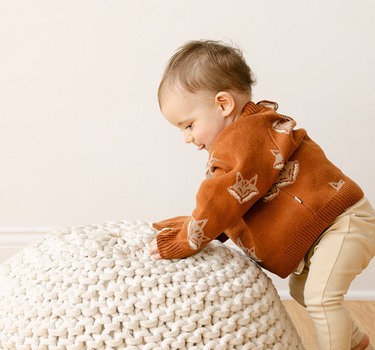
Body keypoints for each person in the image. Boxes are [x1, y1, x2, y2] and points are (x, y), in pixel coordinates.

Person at [148, 39, 375, 350]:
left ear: (223, 104)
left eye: (188, 125)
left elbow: (221, 198)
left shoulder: (244, 138)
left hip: (343, 223)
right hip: (330, 228)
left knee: (320, 297)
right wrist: (195, 224)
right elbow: (233, 203)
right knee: (302, 290)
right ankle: (355, 341)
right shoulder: (249, 137)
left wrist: (188, 238)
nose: (187, 138)